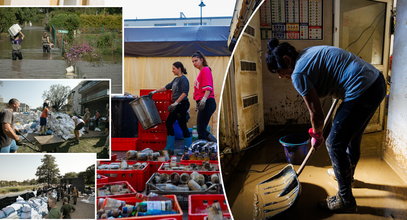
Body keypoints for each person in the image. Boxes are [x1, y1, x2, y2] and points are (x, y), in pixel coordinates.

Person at [265, 38, 386, 212]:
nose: (279, 76)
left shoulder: (298, 74)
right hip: (376, 82)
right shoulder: (308, 53)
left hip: (361, 90)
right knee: (351, 137)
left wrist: (317, 135)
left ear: (286, 60)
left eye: (279, 70)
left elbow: (316, 113)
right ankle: (347, 176)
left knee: (334, 143)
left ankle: (346, 200)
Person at [149, 61, 192, 152]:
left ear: (179, 68)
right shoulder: (176, 80)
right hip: (175, 105)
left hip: (182, 105)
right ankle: (169, 147)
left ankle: (188, 148)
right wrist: (155, 91)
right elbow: (167, 87)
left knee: (182, 125)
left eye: (174, 68)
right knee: (169, 123)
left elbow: (184, 93)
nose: (172, 70)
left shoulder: (184, 79)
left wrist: (175, 103)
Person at [191, 51, 217, 142]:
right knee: (201, 129)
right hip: (204, 102)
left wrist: (203, 100)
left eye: (196, 60)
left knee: (201, 130)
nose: (194, 63)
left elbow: (208, 88)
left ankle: (214, 144)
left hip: (207, 101)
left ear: (202, 60)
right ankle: (205, 150)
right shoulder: (201, 72)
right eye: (193, 61)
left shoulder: (205, 70)